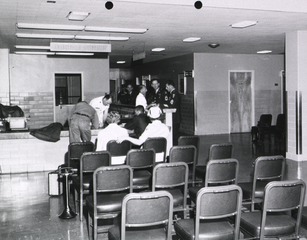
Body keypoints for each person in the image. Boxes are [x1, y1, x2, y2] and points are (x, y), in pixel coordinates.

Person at [165, 80, 181, 144]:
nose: (166, 88)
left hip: (175, 117)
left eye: (167, 86)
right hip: (173, 117)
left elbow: (172, 104)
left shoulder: (174, 94)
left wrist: (165, 105)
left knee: (174, 134)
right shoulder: (172, 94)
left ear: (171, 86)